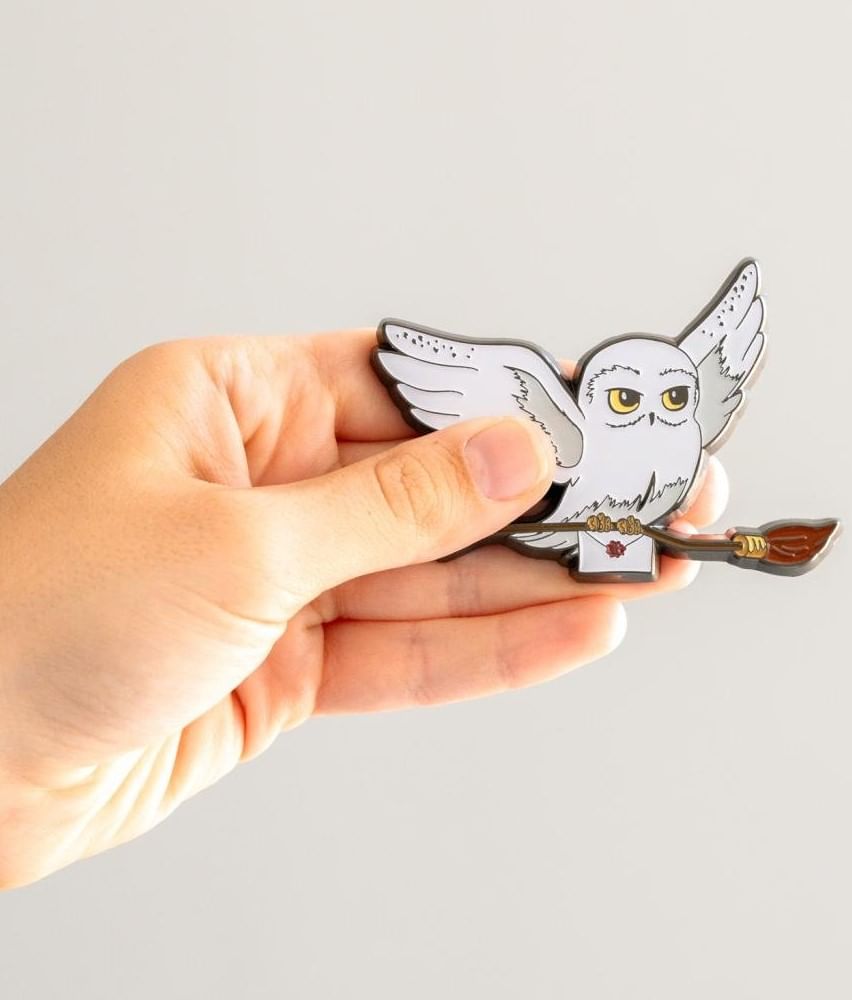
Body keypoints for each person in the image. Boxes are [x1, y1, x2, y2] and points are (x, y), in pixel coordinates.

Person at [0, 331, 726, 890]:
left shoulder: (680, 445)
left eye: (673, 400)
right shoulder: (555, 420)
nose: (650, 416)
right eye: (625, 401)